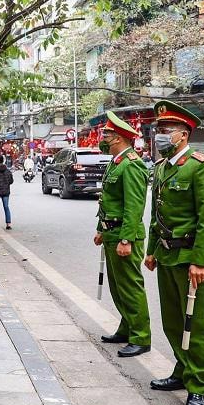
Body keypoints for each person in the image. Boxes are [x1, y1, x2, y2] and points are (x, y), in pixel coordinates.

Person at [144, 100, 204, 405]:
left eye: (165, 131)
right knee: (173, 320)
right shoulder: (163, 167)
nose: (159, 136)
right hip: (166, 253)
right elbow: (156, 215)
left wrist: (201, 260)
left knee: (197, 323)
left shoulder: (202, 166)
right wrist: (151, 250)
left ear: (183, 134)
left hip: (193, 256)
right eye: (158, 130)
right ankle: (182, 369)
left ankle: (199, 386)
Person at [93, 111, 151, 358]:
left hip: (124, 236)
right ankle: (127, 327)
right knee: (117, 287)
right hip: (111, 233)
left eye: (106, 134)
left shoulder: (132, 165)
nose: (103, 137)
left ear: (117, 138)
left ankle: (141, 336)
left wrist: (126, 239)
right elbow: (108, 200)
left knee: (130, 287)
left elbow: (134, 206)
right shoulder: (116, 162)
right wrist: (100, 229)